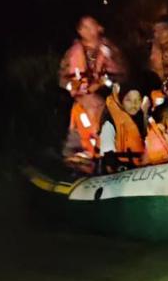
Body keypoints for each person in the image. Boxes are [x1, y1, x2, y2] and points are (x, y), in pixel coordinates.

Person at [59, 16, 125, 172]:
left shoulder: (110, 49)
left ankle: (113, 153)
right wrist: (76, 89)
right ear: (80, 31)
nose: (88, 30)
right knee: (84, 111)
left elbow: (122, 73)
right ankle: (83, 154)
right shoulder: (73, 53)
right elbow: (63, 78)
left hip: (108, 94)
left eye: (91, 26)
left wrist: (103, 84)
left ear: (100, 28)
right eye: (84, 27)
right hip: (81, 97)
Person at [99, 81, 148, 172]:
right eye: (128, 100)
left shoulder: (143, 118)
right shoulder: (110, 123)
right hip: (120, 170)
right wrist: (115, 166)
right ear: (121, 100)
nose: (134, 104)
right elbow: (107, 150)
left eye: (138, 100)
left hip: (141, 169)